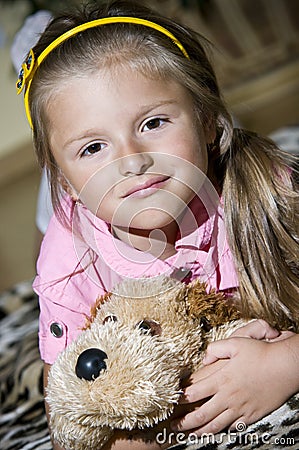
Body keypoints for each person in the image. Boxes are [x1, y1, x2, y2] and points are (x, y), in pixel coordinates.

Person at [16, 0, 299, 448]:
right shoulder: (70, 262)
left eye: (153, 122)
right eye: (93, 148)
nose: (131, 160)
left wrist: (285, 362)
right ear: (63, 179)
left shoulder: (271, 190)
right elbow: (66, 411)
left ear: (207, 121)